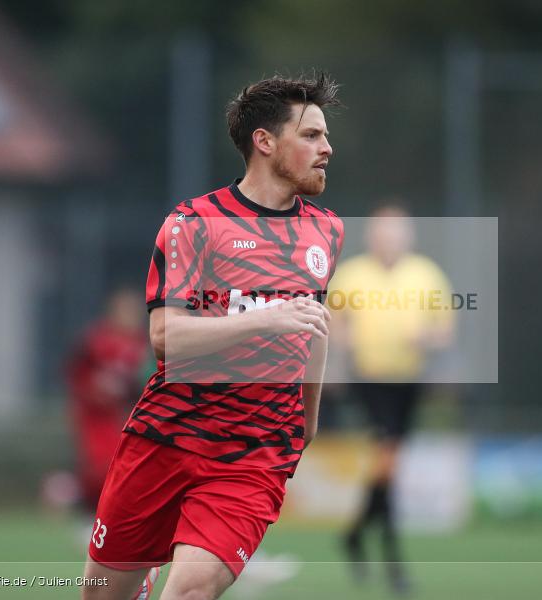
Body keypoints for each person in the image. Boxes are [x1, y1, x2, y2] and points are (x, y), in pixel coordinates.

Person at [82, 73, 344, 600]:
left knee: (189, 591)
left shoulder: (327, 230)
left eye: (325, 136)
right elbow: (165, 338)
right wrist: (266, 318)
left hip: (254, 453)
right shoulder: (193, 222)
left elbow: (311, 326)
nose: (326, 148)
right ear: (264, 142)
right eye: (311, 135)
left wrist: (306, 424)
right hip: (164, 439)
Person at [330, 202, 454, 595]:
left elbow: (444, 332)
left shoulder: (426, 274)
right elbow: (331, 321)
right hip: (369, 380)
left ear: (409, 236)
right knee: (388, 459)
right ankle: (393, 560)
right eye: (384, 231)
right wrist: (339, 349)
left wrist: (427, 339)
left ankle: (353, 534)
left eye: (397, 231)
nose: (390, 239)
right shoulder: (351, 275)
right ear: (372, 235)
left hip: (410, 382)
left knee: (388, 466)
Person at [66, 287, 149, 513]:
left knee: (124, 465)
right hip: (94, 413)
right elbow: (75, 373)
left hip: (123, 413)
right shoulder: (95, 341)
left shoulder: (144, 344)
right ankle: (76, 498)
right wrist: (92, 391)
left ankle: (74, 495)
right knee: (101, 463)